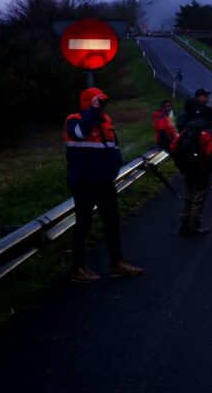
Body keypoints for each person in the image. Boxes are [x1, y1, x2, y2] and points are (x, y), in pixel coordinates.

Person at [65, 88, 143, 282]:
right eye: (98, 102)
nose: (102, 106)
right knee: (83, 224)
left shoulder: (106, 121)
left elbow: (113, 147)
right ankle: (78, 268)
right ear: (89, 102)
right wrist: (92, 111)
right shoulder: (73, 119)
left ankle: (117, 263)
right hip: (83, 181)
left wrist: (115, 167)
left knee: (112, 222)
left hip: (104, 181)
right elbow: (79, 133)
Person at [172, 118, 212, 236]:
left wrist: (182, 164)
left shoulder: (185, 132)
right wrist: (209, 168)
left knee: (188, 196)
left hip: (187, 170)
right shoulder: (206, 134)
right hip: (202, 170)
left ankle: (184, 224)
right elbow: (211, 152)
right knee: (199, 197)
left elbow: (173, 146)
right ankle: (194, 226)